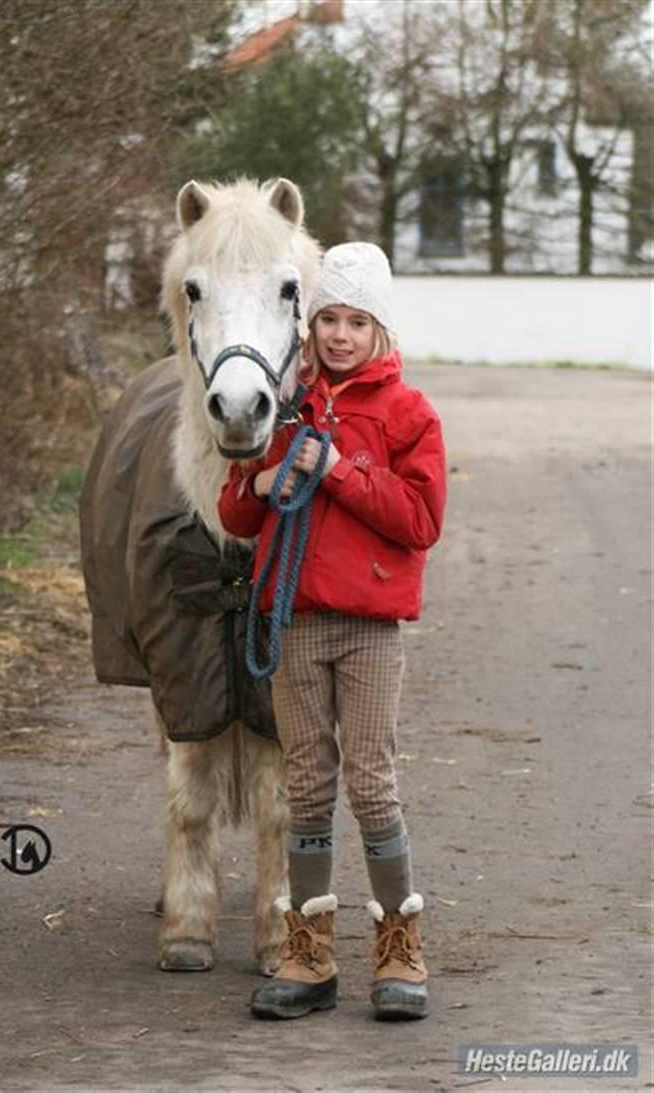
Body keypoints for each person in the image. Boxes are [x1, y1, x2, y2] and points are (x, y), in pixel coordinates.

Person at [217, 242, 446, 1021]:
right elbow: (237, 513)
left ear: (380, 331)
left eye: (356, 321)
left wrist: (341, 469)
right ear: (309, 329)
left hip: (371, 631)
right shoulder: (288, 408)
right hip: (297, 621)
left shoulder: (409, 415)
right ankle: (310, 952)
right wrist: (261, 477)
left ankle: (398, 946)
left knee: (372, 780)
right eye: (328, 320)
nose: (340, 334)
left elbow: (421, 519)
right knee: (308, 783)